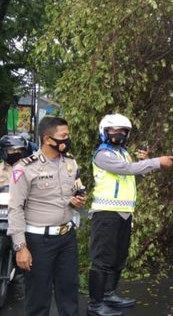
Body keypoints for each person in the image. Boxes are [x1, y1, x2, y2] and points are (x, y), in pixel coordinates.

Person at [87, 113, 173, 316]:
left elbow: (132, 178)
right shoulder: (103, 154)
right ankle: (95, 304)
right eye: (115, 131)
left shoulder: (124, 153)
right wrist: (155, 162)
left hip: (125, 214)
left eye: (123, 131)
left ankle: (109, 294)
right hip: (106, 214)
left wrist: (144, 165)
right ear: (104, 132)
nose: (119, 134)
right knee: (102, 260)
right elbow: (126, 170)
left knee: (119, 257)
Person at [7, 117, 86, 316]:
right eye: (63, 136)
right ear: (47, 139)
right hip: (38, 242)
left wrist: (76, 200)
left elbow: (78, 190)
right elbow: (15, 208)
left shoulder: (70, 162)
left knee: (69, 294)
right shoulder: (25, 168)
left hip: (67, 238)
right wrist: (20, 247)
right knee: (38, 299)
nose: (67, 140)